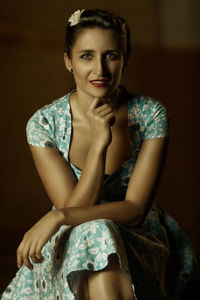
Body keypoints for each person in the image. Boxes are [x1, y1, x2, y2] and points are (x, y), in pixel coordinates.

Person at [1, 8, 199, 300]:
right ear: (68, 61)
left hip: (138, 239)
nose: (100, 70)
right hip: (73, 242)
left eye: (111, 55)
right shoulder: (44, 124)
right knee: (95, 232)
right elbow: (78, 213)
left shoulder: (150, 114)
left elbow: (134, 211)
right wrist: (98, 146)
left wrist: (58, 217)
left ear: (125, 59)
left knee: (99, 232)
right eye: (86, 56)